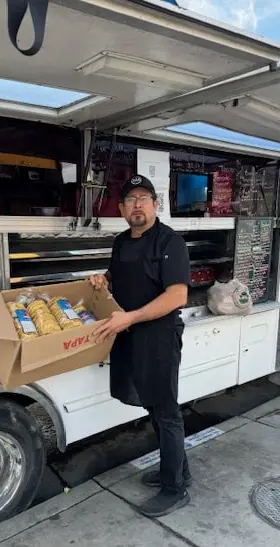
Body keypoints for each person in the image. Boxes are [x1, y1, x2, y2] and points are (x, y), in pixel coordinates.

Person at [91, 174, 192, 517]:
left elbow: (177, 295)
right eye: (130, 199)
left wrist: (130, 318)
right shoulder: (120, 242)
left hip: (159, 337)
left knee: (165, 410)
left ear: (155, 204)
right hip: (130, 334)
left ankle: (174, 488)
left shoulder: (169, 242)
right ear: (121, 209)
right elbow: (116, 279)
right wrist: (101, 280)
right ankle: (178, 468)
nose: (138, 205)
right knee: (152, 406)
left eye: (144, 198)